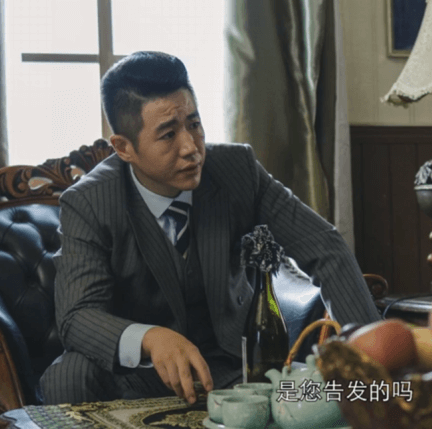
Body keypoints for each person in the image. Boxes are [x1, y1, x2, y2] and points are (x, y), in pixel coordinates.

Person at [39, 51, 380, 405]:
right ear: (124, 148)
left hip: (231, 369)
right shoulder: (89, 202)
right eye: (168, 135)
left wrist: (373, 353)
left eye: (194, 124)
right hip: (137, 376)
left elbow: (324, 248)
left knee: (322, 391)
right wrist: (150, 338)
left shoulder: (237, 170)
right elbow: (77, 316)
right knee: (68, 375)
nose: (191, 148)